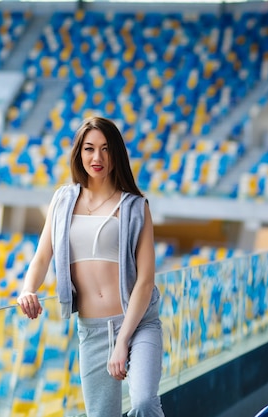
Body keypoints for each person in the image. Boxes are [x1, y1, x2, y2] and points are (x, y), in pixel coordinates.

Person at [17, 116, 165, 417]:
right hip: (92, 330)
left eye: (105, 149)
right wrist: (27, 289)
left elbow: (146, 281)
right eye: (89, 149)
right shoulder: (62, 200)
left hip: (138, 324)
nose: (96, 157)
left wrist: (123, 340)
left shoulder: (135, 206)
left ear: (116, 155)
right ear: (79, 153)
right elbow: (42, 256)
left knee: (144, 403)